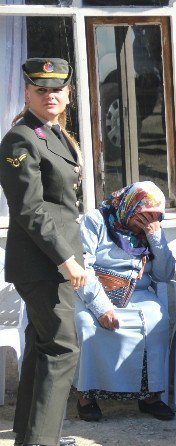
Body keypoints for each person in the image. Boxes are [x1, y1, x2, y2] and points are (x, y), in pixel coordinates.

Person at [0, 57, 85, 446]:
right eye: (41, 90)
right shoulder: (21, 138)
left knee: (42, 346)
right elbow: (29, 208)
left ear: (68, 93)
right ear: (27, 93)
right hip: (44, 263)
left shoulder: (54, 134)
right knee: (62, 348)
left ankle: (28, 437)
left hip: (53, 260)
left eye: (56, 89)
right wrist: (66, 258)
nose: (50, 95)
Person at [74, 181, 176, 422]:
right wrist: (101, 308)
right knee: (88, 326)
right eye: (144, 216)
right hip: (95, 290)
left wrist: (156, 236)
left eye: (155, 216)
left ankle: (150, 396)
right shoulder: (95, 220)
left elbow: (163, 274)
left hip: (137, 293)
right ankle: (86, 396)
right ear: (130, 207)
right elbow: (83, 266)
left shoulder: (152, 230)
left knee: (157, 321)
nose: (149, 221)